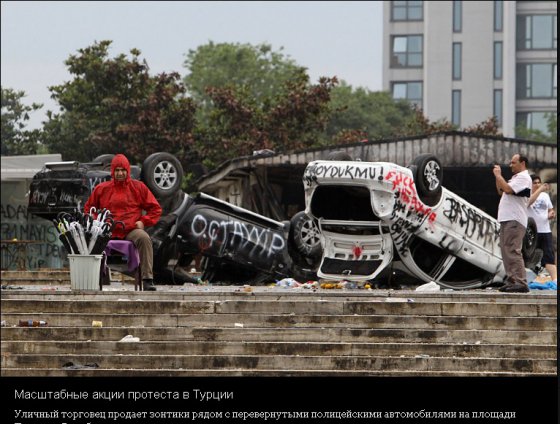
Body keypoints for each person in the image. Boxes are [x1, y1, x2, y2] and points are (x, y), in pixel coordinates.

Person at [85, 154, 162, 291]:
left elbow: (155, 209)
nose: (120, 173)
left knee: (144, 238)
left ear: (128, 171)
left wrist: (143, 222)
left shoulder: (139, 187)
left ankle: (147, 279)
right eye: (117, 170)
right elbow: (89, 209)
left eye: (123, 170)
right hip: (106, 230)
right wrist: (98, 221)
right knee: (90, 239)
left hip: (130, 229)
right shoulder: (101, 188)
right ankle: (93, 277)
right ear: (112, 171)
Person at [492, 154, 532, 293]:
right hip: (507, 218)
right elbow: (501, 190)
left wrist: (498, 176)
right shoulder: (515, 178)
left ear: (522, 163)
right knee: (506, 250)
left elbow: (508, 190)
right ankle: (512, 281)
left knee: (513, 250)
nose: (511, 165)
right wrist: (499, 177)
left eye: (513, 162)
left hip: (515, 219)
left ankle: (520, 282)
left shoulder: (524, 177)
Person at [527, 174, 557, 284]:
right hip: (532, 232)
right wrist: (539, 189)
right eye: (534, 183)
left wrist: (551, 213)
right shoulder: (526, 195)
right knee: (530, 257)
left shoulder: (545, 196)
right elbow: (528, 202)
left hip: (545, 230)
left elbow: (550, 209)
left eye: (539, 182)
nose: (537, 184)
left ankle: (555, 280)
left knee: (549, 255)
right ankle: (529, 279)